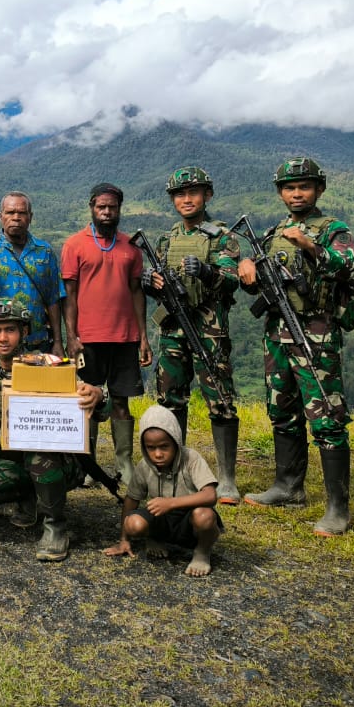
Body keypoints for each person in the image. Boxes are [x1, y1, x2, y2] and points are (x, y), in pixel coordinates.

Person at [239, 158, 354, 537]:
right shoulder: (274, 231)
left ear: (319, 190)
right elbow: (260, 279)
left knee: (326, 414)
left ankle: (337, 508)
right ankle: (288, 486)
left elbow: (346, 267)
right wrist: (247, 270)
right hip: (277, 329)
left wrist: (310, 246)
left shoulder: (333, 229)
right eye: (290, 187)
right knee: (282, 408)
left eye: (305, 186)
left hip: (316, 330)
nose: (297, 193)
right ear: (280, 192)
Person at [0, 298, 102, 561]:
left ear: (23, 332)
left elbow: (96, 404)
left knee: (38, 458)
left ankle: (55, 525)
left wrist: (98, 395)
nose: (2, 337)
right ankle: (29, 496)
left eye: (10, 329)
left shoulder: (48, 365)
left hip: (58, 461)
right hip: (12, 461)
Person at [142, 166, 242, 504]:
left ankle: (227, 479)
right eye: (180, 195)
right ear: (173, 200)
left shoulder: (223, 237)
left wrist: (209, 271)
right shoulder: (167, 239)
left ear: (207, 196)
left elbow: (233, 281)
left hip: (208, 330)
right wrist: (151, 283)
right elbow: (160, 280)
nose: (186, 199)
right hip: (172, 330)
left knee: (221, 400)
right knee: (170, 399)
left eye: (193, 193)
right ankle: (174, 471)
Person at [61, 182, 150, 488]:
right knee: (87, 402)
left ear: (119, 209)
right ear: (92, 208)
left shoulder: (130, 248)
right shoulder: (74, 245)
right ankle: (89, 463)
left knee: (122, 401)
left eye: (112, 207)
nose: (107, 212)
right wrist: (71, 335)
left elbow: (138, 292)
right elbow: (69, 295)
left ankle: (123, 461)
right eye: (102, 207)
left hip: (125, 337)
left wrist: (143, 336)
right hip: (88, 338)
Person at [103, 404, 223, 577]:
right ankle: (154, 538)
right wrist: (124, 539)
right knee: (133, 523)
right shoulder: (144, 466)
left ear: (176, 442)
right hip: (161, 521)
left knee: (204, 516)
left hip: (189, 522)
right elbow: (131, 500)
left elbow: (210, 495)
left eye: (164, 447)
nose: (158, 454)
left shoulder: (191, 458)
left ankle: (202, 552)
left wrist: (171, 503)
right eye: (151, 448)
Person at [0, 191, 65, 365]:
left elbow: (53, 300)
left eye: (22, 213)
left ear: (30, 216)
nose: (16, 217)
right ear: (1, 216)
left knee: (36, 390)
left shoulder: (45, 252)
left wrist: (57, 342)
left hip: (37, 344)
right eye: (10, 213)